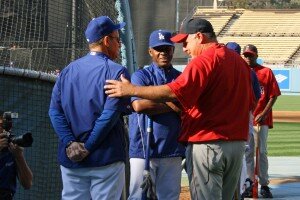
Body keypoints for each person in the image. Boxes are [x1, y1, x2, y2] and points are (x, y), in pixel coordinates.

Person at [105, 18, 254, 199]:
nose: (184, 48)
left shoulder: (203, 61)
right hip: (236, 145)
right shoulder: (239, 62)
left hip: (208, 144)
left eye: (185, 41)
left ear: (199, 37)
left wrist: (131, 90)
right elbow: (251, 102)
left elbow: (175, 92)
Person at [48, 16, 131, 200]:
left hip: (72, 159)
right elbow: (108, 115)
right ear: (107, 41)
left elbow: (54, 112)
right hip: (105, 158)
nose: (119, 44)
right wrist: (89, 146)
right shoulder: (116, 71)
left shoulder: (68, 70)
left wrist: (71, 143)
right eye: (117, 39)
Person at [128, 30, 185, 200]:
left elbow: (187, 107)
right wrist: (171, 101)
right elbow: (139, 105)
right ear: (150, 51)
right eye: (158, 49)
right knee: (138, 196)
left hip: (172, 149)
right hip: (143, 148)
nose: (163, 53)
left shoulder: (180, 77)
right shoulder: (141, 76)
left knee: (169, 197)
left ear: (173, 50)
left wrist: (155, 97)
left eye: (167, 49)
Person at [242, 44, 281, 198]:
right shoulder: (240, 72)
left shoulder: (266, 72)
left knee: (262, 152)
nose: (248, 58)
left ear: (256, 55)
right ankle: (250, 183)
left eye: (250, 55)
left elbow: (273, 95)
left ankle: (264, 184)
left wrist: (264, 114)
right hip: (245, 120)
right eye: (245, 55)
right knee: (248, 153)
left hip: (261, 120)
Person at [226, 42, 261, 198]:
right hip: (236, 116)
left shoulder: (248, 72)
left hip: (240, 117)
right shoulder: (247, 71)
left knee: (239, 153)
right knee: (237, 154)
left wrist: (245, 109)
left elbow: (256, 97)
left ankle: (240, 189)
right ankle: (239, 189)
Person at [0, 111, 33, 200]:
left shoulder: (11, 148)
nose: (4, 130)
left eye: (6, 127)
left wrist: (19, 156)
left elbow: (27, 184)